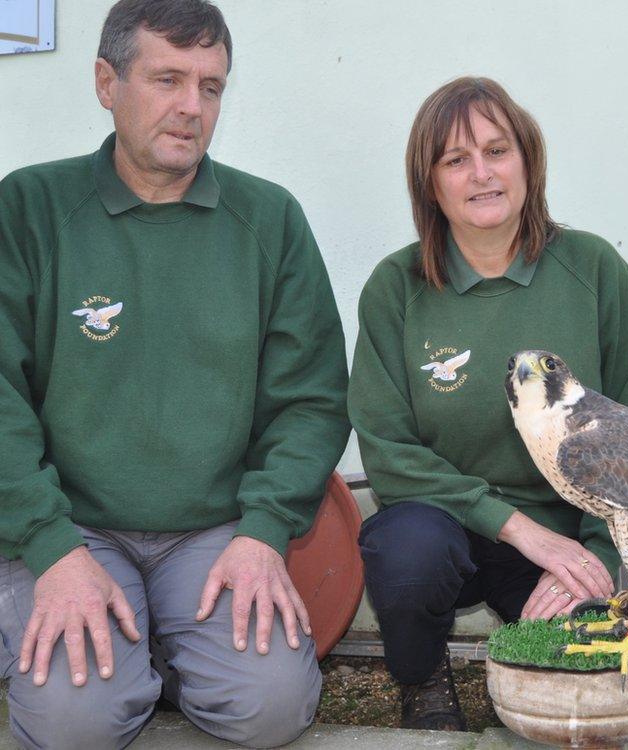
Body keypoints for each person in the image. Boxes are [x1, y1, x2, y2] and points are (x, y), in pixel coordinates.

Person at [0, 1, 350, 747]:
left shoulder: (269, 220)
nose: (192, 107)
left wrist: (264, 532)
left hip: (215, 535)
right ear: (106, 81)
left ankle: (160, 649)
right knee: (72, 725)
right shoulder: (28, 208)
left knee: (272, 709)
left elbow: (312, 399)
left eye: (212, 86)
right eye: (167, 79)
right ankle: (118, 657)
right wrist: (48, 543)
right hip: (71, 529)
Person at [348, 76, 628, 731]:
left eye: (497, 150)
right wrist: (518, 528)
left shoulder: (594, 270)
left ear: (529, 161)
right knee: (404, 550)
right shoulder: (395, 289)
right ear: (429, 183)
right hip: (445, 530)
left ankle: (532, 664)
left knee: (591, 687)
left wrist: (597, 559)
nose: (481, 173)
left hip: (563, 539)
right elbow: (387, 451)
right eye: (456, 159)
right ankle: (423, 678)